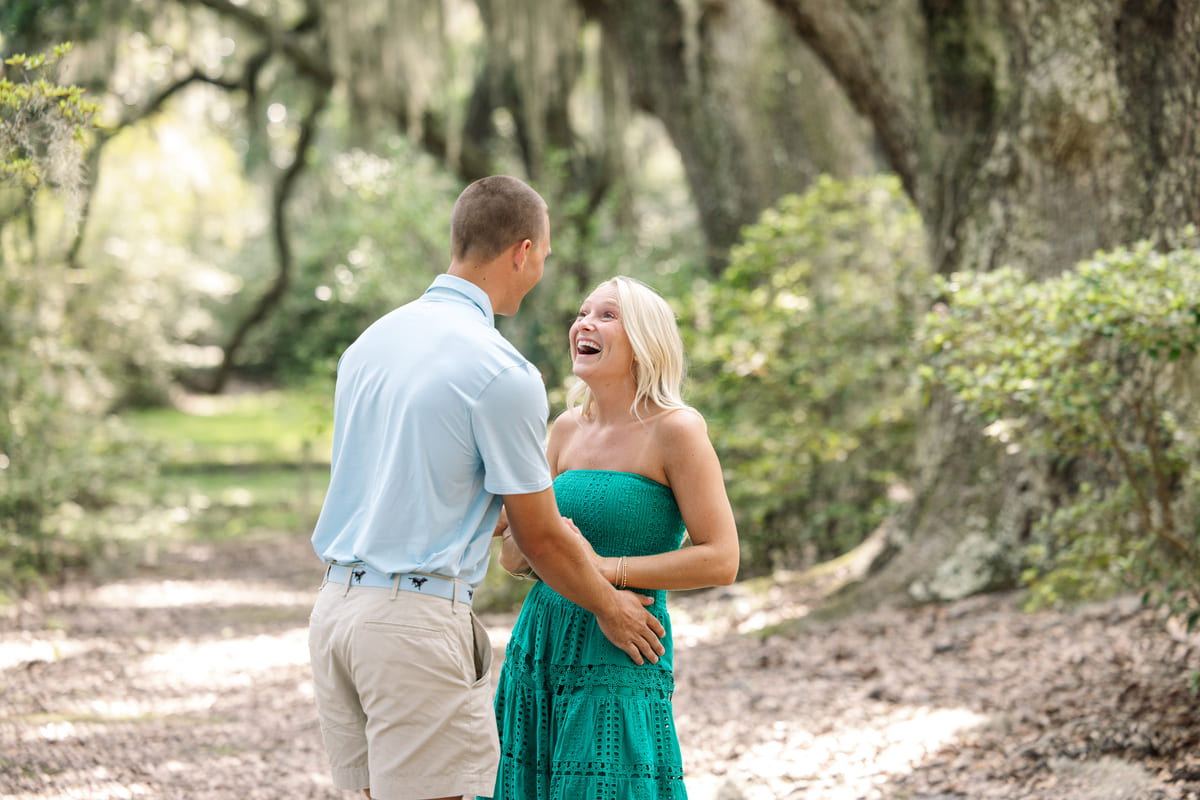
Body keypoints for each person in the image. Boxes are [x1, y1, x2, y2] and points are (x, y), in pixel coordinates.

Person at [306, 177, 666, 800]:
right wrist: (611, 604)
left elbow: (411, 483)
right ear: (522, 252)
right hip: (412, 624)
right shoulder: (500, 370)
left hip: (336, 611)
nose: (542, 272)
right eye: (545, 258)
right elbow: (540, 537)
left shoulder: (368, 346)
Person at [483, 276, 740, 799]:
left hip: (621, 644)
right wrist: (529, 539)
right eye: (582, 313)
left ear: (645, 340)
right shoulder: (564, 430)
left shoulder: (677, 429)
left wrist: (604, 568)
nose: (585, 323)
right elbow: (515, 558)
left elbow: (721, 559)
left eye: (607, 315)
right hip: (540, 642)